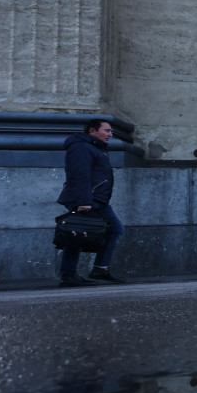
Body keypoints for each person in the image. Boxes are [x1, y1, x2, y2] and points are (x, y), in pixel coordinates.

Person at [56, 118, 127, 285]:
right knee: (77, 235)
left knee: (88, 233)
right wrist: (84, 200)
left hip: (97, 199)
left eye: (110, 131)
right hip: (88, 199)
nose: (110, 134)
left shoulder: (95, 148)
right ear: (92, 131)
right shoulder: (82, 147)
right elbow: (80, 174)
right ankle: (70, 274)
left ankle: (97, 269)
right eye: (107, 130)